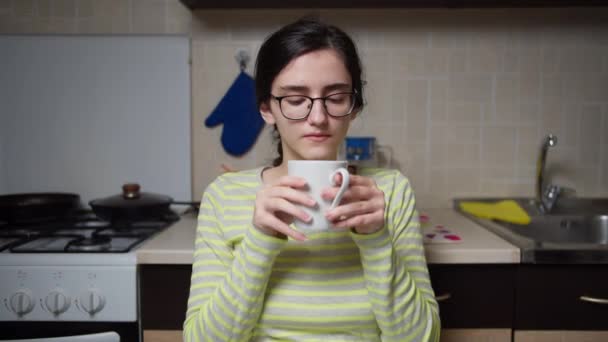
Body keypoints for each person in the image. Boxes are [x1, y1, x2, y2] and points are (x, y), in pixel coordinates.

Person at [183, 18, 440, 342]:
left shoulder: (390, 191)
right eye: (295, 100)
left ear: (354, 106)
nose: (317, 117)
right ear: (266, 108)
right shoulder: (224, 195)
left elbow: (421, 338)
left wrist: (375, 238)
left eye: (335, 97)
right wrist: (261, 238)